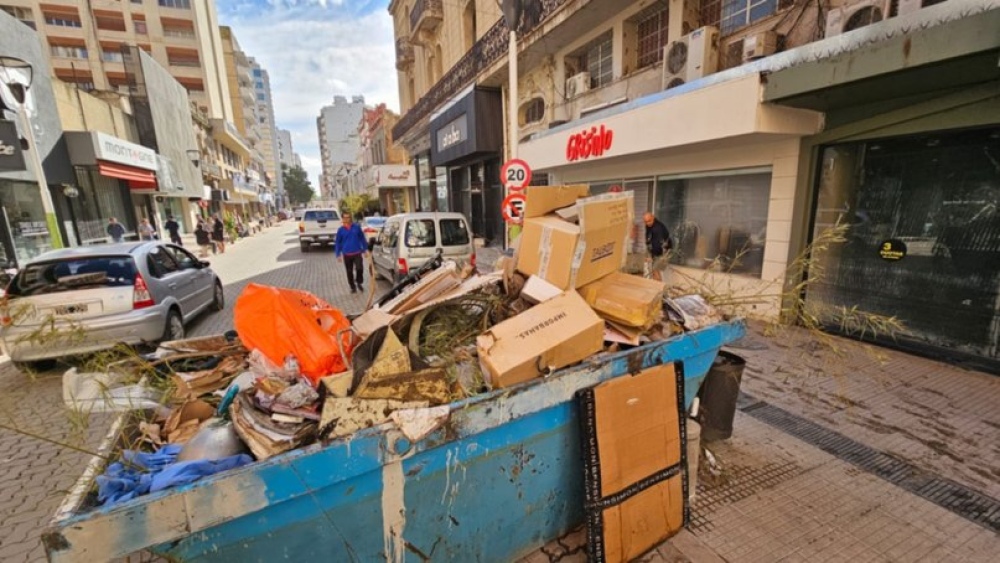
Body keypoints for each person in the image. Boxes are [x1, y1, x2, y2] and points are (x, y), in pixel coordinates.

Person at [334, 212, 368, 294]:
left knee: (360, 268)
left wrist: (365, 249)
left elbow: (362, 238)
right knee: (349, 272)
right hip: (347, 254)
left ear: (350, 218)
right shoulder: (340, 230)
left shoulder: (356, 227)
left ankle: (359, 282)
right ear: (342, 219)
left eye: (348, 217)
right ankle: (352, 287)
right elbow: (338, 243)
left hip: (357, 253)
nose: (347, 219)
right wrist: (338, 254)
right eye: (345, 217)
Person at [644, 212, 672, 281]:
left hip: (664, 251)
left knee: (655, 270)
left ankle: (658, 289)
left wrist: (652, 258)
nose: (648, 223)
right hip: (658, 250)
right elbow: (648, 238)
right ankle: (658, 288)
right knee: (655, 271)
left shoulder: (658, 228)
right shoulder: (649, 226)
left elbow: (658, 245)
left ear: (653, 217)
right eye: (646, 222)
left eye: (649, 221)